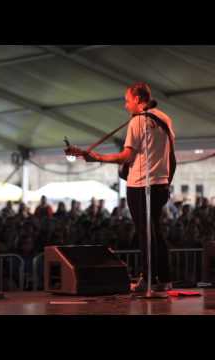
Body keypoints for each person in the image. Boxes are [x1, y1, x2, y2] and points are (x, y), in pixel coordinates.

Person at [66, 82, 175, 294]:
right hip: (161, 184)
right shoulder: (164, 118)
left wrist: (96, 157)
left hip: (140, 184)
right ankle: (165, 278)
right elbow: (168, 153)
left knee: (145, 234)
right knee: (157, 232)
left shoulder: (137, 122)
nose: (125, 105)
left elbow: (126, 156)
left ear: (137, 99)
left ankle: (148, 279)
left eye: (127, 100)